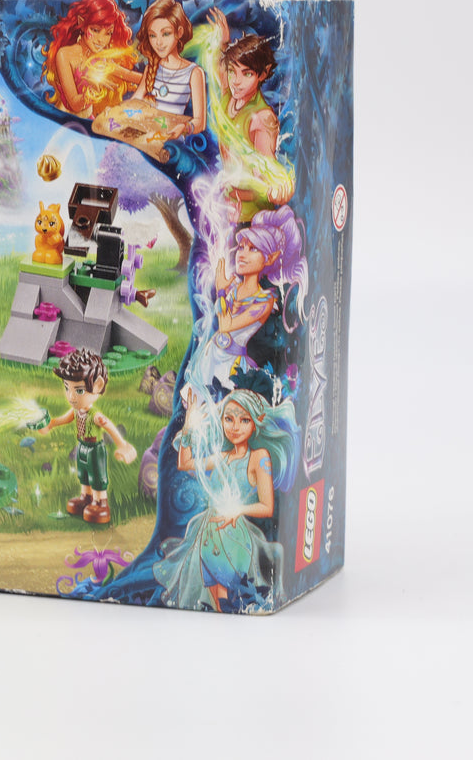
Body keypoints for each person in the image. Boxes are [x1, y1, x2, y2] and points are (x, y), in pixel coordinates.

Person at [153, 388, 298, 612]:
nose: (235, 427)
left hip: (234, 535)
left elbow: (266, 506)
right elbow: (185, 463)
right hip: (206, 534)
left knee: (229, 593)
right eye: (229, 419)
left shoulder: (259, 457)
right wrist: (189, 427)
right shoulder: (222, 456)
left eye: (244, 420)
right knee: (214, 597)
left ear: (255, 422)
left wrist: (238, 510)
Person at [189, 206, 305, 399]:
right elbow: (220, 257)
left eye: (252, 249)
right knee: (195, 403)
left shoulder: (264, 301)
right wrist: (231, 224)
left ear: (270, 258)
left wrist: (221, 291)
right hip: (211, 355)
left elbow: (226, 325)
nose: (242, 254)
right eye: (241, 247)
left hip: (230, 365)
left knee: (219, 404)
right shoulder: (235, 286)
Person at [206, 7, 292, 220]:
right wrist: (223, 43)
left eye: (247, 74)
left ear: (262, 74)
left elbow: (265, 178)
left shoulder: (261, 119)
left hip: (254, 219)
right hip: (231, 213)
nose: (236, 81)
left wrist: (279, 189)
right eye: (233, 71)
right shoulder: (229, 97)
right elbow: (221, 67)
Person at [37, 348, 137, 524]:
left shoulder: (95, 415)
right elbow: (64, 419)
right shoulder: (76, 411)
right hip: (82, 446)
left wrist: (122, 444)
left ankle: (100, 502)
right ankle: (86, 497)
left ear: (97, 386)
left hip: (95, 449)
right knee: (83, 474)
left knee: (97, 476)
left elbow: (109, 426)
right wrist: (50, 424)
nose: (71, 396)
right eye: (67, 388)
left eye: (79, 391)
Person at [43, 0, 140, 118]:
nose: (101, 40)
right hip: (65, 120)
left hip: (88, 120)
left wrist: (155, 75)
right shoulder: (64, 54)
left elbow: (129, 75)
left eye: (108, 33)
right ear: (81, 23)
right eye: (95, 30)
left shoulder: (101, 57)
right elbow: (74, 104)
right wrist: (89, 93)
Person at [130, 0, 206, 137]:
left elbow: (200, 122)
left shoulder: (194, 72)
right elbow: (133, 104)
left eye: (166, 34)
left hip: (173, 141)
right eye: (152, 35)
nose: (158, 42)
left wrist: (184, 128)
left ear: (179, 32)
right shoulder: (151, 69)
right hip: (147, 137)